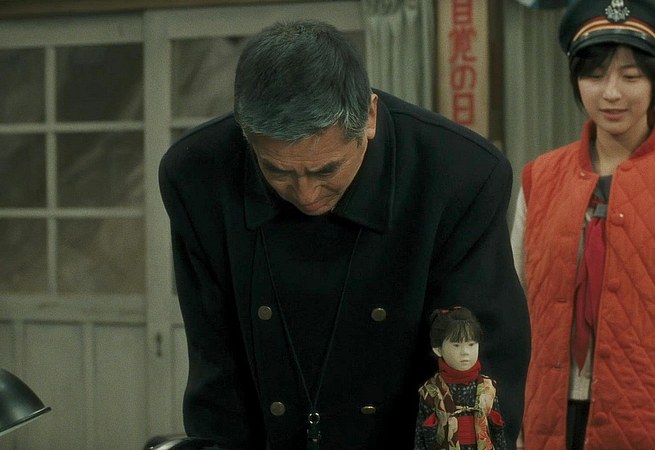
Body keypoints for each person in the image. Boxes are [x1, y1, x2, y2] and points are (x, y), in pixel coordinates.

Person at [158, 19, 530, 450]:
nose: (305, 194)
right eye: (278, 171)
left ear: (369, 117)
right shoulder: (197, 175)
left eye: (326, 170)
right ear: (245, 135)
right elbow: (215, 366)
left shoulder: (458, 174)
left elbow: (475, 359)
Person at [510, 1, 655, 448]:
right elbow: (514, 310)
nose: (611, 93)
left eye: (631, 77)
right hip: (544, 423)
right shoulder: (539, 178)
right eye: (595, 76)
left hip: (653, 427)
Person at [415, 306, 506, 450]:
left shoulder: (488, 387)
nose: (465, 352)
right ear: (438, 349)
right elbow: (420, 437)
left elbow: (498, 433)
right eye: (456, 345)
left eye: (471, 344)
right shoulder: (430, 391)